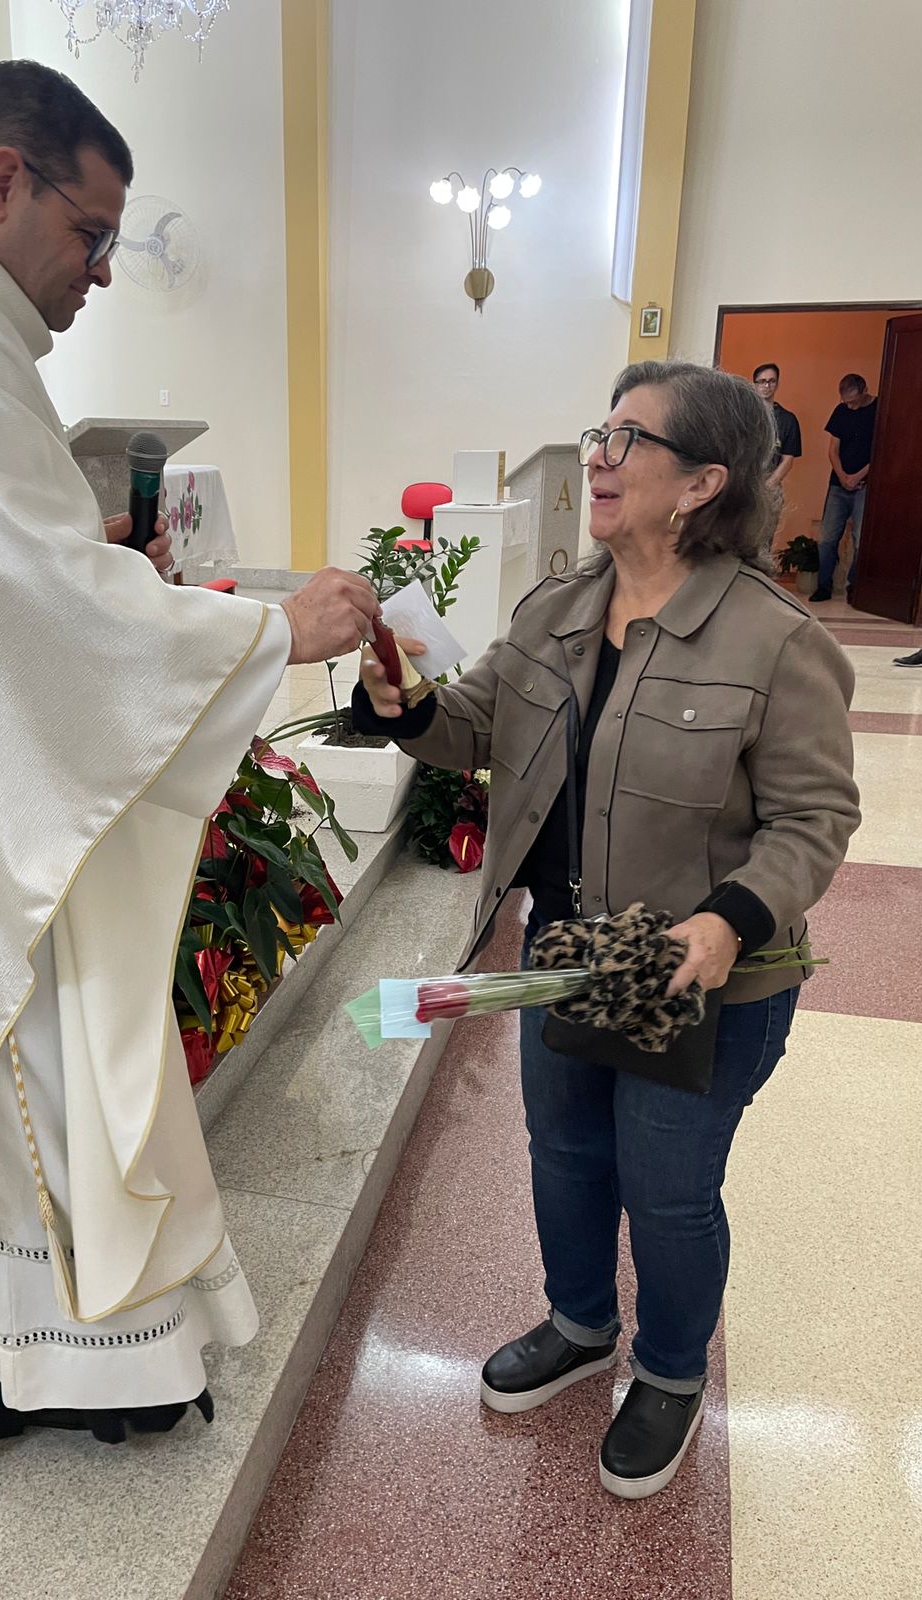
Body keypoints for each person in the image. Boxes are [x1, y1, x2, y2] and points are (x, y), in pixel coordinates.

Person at [0, 60, 377, 1455]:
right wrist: (274, 630)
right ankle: (92, 1372)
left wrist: (86, 559)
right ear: (4, 181)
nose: (103, 269)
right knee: (42, 1083)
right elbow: (36, 608)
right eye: (92, 232)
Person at [353, 361, 859, 1499]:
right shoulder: (556, 611)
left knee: (667, 1187)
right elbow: (473, 729)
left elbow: (818, 817)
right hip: (566, 959)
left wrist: (731, 919)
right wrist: (406, 705)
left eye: (630, 439)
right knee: (566, 1152)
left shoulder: (774, 640)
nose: (599, 455)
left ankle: (671, 1372)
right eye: (601, 432)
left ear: (703, 483)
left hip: (704, 979)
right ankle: (581, 1322)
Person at [812, 372, 878, 602]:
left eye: (853, 401)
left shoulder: (879, 409)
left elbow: (882, 449)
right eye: (845, 401)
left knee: (861, 539)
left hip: (865, 485)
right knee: (827, 538)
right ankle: (823, 586)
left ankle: (854, 587)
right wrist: (843, 477)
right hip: (838, 485)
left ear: (865, 391)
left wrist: (858, 476)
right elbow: (833, 450)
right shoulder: (841, 411)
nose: (849, 406)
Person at [752, 362, 801, 487]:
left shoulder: (788, 419)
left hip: (770, 486)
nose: (767, 386)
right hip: (741, 484)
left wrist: (768, 486)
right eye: (762, 381)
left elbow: (788, 460)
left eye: (771, 381)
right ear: (754, 384)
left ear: (777, 384)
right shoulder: (743, 415)